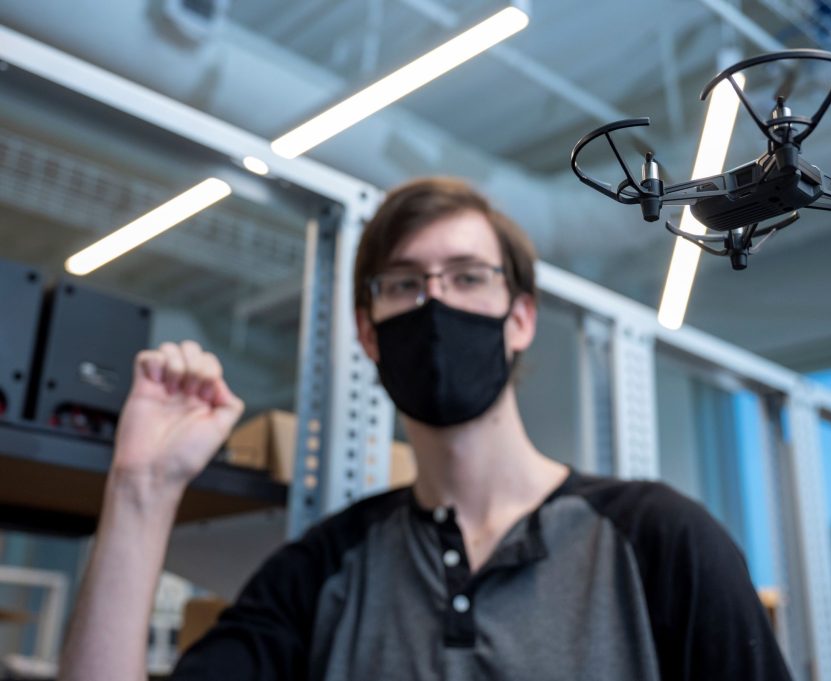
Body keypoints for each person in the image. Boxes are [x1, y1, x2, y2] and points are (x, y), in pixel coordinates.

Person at [59, 178, 792, 680]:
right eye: (405, 283)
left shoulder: (662, 540)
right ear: (369, 332)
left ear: (521, 318)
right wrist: (142, 488)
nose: (434, 303)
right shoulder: (324, 570)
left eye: (468, 276)